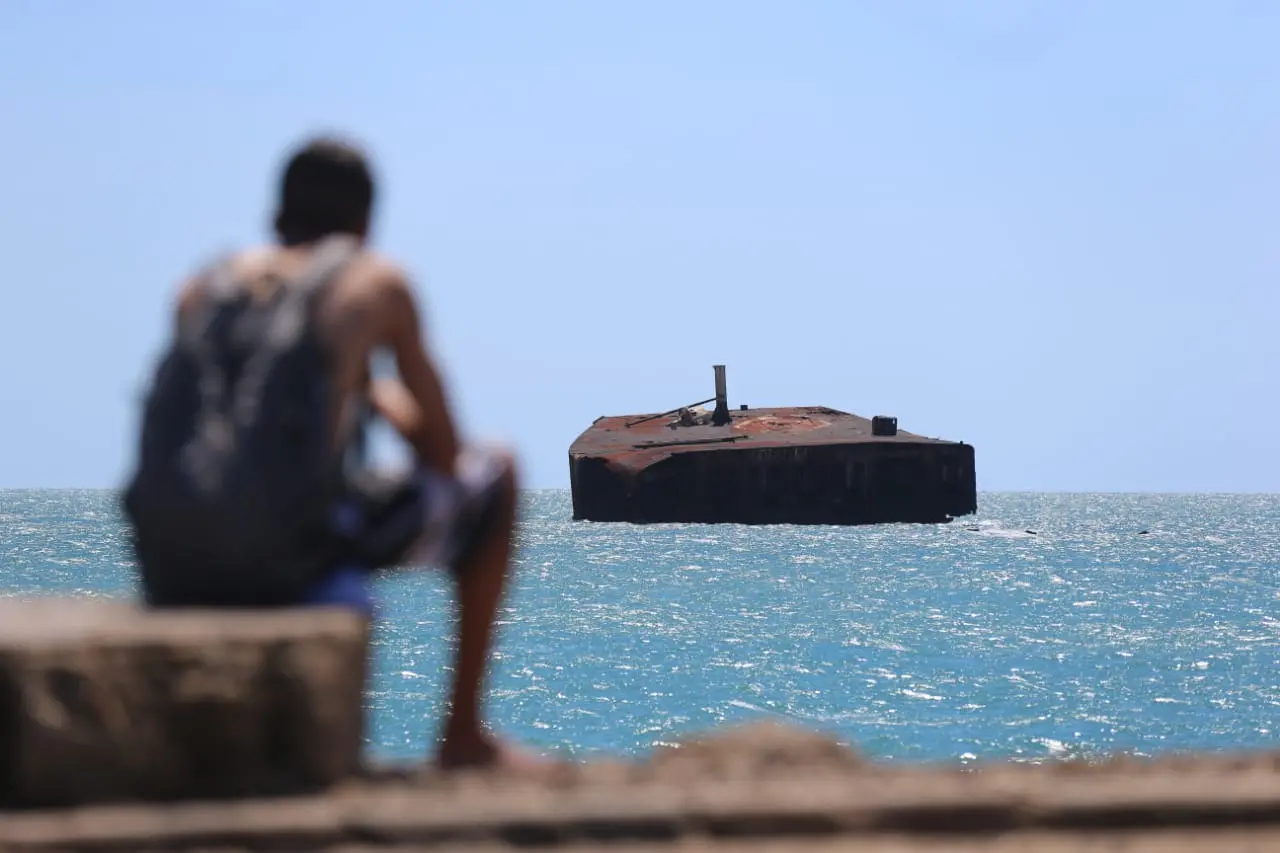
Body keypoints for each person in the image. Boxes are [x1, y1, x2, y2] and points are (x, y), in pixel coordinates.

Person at [122, 135, 533, 770]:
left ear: (278, 213)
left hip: (167, 560)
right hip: (287, 552)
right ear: (366, 221)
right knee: (497, 473)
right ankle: (463, 737)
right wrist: (378, 388)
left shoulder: (200, 288)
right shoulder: (374, 285)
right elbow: (446, 459)